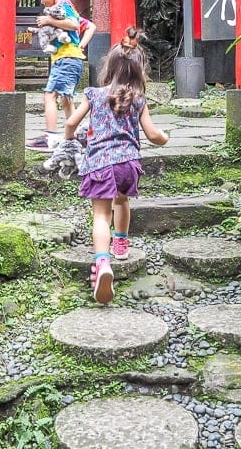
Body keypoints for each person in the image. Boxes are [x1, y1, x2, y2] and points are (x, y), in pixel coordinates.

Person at [61, 27, 169, 304]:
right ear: (138, 72)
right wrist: (165, 138)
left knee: (100, 215)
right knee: (121, 202)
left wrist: (70, 139)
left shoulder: (95, 95)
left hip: (99, 163)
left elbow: (71, 123)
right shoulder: (139, 100)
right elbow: (154, 135)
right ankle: (121, 243)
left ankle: (102, 263)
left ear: (108, 68)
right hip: (128, 165)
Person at [26, 0, 90, 151]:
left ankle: (51, 137)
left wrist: (48, 20)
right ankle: (78, 136)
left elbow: (74, 24)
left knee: (50, 95)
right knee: (66, 99)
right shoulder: (67, 6)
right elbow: (87, 26)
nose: (41, 1)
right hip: (70, 58)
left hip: (67, 58)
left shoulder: (64, 5)